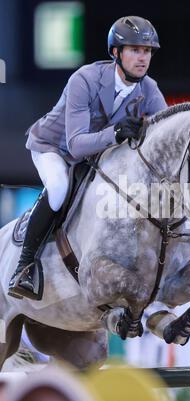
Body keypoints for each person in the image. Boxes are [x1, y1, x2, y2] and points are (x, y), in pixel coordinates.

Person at [8, 16, 167, 300]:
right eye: (135, 50)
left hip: (96, 156)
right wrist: (116, 133)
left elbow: (163, 137)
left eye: (147, 51)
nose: (143, 58)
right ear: (116, 53)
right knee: (59, 188)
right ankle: (25, 265)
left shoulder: (149, 89)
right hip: (54, 148)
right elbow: (77, 145)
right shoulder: (85, 79)